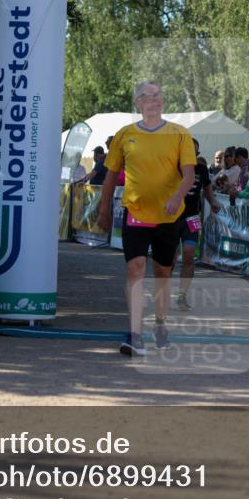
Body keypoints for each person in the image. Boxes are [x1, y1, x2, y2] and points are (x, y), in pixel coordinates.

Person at [96, 81, 195, 357]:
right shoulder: (124, 134)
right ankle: (135, 334)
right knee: (135, 269)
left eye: (158, 95)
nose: (155, 100)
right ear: (138, 103)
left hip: (168, 217)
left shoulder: (179, 134)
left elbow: (188, 173)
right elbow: (111, 175)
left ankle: (161, 325)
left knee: (163, 273)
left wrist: (178, 196)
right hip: (136, 213)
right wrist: (104, 209)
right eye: (148, 96)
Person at [175, 138, 222, 311]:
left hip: (192, 218)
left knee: (188, 255)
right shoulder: (172, 165)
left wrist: (214, 202)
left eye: (193, 151)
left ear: (197, 153)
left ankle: (182, 295)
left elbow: (208, 191)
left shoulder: (201, 169)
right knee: (169, 259)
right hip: (171, 218)